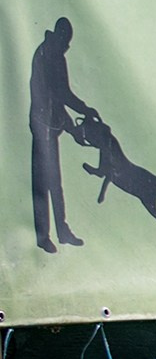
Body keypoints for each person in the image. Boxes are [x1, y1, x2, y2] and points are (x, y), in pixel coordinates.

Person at [28, 16, 97, 252]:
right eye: (66, 40)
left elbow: (60, 96)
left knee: (53, 182)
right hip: (42, 125)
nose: (67, 45)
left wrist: (76, 119)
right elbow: (60, 95)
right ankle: (44, 236)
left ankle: (61, 231)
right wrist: (82, 113)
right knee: (44, 182)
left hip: (49, 123)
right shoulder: (50, 54)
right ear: (60, 36)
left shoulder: (53, 52)